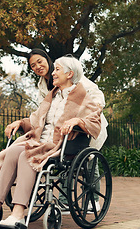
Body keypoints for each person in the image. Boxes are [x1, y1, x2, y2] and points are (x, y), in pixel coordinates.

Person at [0, 56, 102, 227]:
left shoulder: (83, 97)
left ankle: (18, 214)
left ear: (69, 74)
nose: (52, 73)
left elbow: (94, 120)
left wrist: (78, 121)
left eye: (57, 69)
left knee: (26, 154)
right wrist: (20, 123)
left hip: (58, 146)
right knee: (13, 151)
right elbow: (36, 120)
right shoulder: (52, 96)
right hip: (39, 143)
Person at [28, 49, 108, 210]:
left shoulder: (68, 70)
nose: (37, 66)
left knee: (89, 161)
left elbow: (95, 95)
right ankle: (64, 201)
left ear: (47, 60)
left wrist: (88, 114)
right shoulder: (42, 85)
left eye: (40, 61)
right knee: (64, 160)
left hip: (83, 126)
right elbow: (42, 108)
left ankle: (93, 200)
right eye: (33, 65)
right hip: (59, 129)